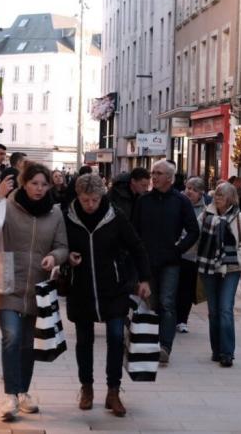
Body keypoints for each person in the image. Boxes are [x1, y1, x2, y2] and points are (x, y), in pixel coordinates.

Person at [0, 163, 68, 421]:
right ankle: (10, 396)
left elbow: (62, 246)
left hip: (37, 287)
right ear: (24, 184)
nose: (39, 189)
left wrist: (54, 257)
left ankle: (23, 392)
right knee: (12, 336)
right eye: (34, 183)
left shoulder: (55, 214)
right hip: (6, 281)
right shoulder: (7, 206)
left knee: (28, 344)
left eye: (44, 184)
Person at [64, 174, 152, 417]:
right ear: (78, 197)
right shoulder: (68, 216)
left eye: (94, 199)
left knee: (115, 337)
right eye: (85, 200)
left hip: (113, 287)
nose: (90, 205)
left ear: (101, 196)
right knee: (84, 341)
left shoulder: (115, 216)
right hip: (80, 287)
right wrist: (67, 257)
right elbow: (59, 245)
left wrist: (144, 279)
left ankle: (113, 390)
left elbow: (136, 246)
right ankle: (87, 388)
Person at [133, 159, 199, 363]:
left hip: (170, 262)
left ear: (169, 178)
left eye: (158, 173)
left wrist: (178, 250)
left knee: (168, 303)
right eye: (153, 172)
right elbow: (133, 231)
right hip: (147, 261)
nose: (154, 176)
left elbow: (194, 230)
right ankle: (151, 343)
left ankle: (165, 347)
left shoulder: (180, 201)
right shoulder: (143, 201)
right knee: (151, 303)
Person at [196, 183, 241, 367]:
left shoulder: (240, 219)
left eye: (222, 194)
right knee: (213, 311)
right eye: (216, 193)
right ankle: (217, 349)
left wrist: (234, 260)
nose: (217, 197)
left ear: (231, 197)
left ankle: (227, 352)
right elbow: (195, 236)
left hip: (230, 271)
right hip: (209, 269)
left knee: (225, 309)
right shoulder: (206, 215)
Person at [176, 177, 206, 333]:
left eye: (194, 189)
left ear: (201, 193)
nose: (190, 191)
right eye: (188, 187)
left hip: (192, 255)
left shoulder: (205, 210)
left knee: (186, 290)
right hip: (175, 252)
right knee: (173, 287)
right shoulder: (176, 202)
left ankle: (182, 319)